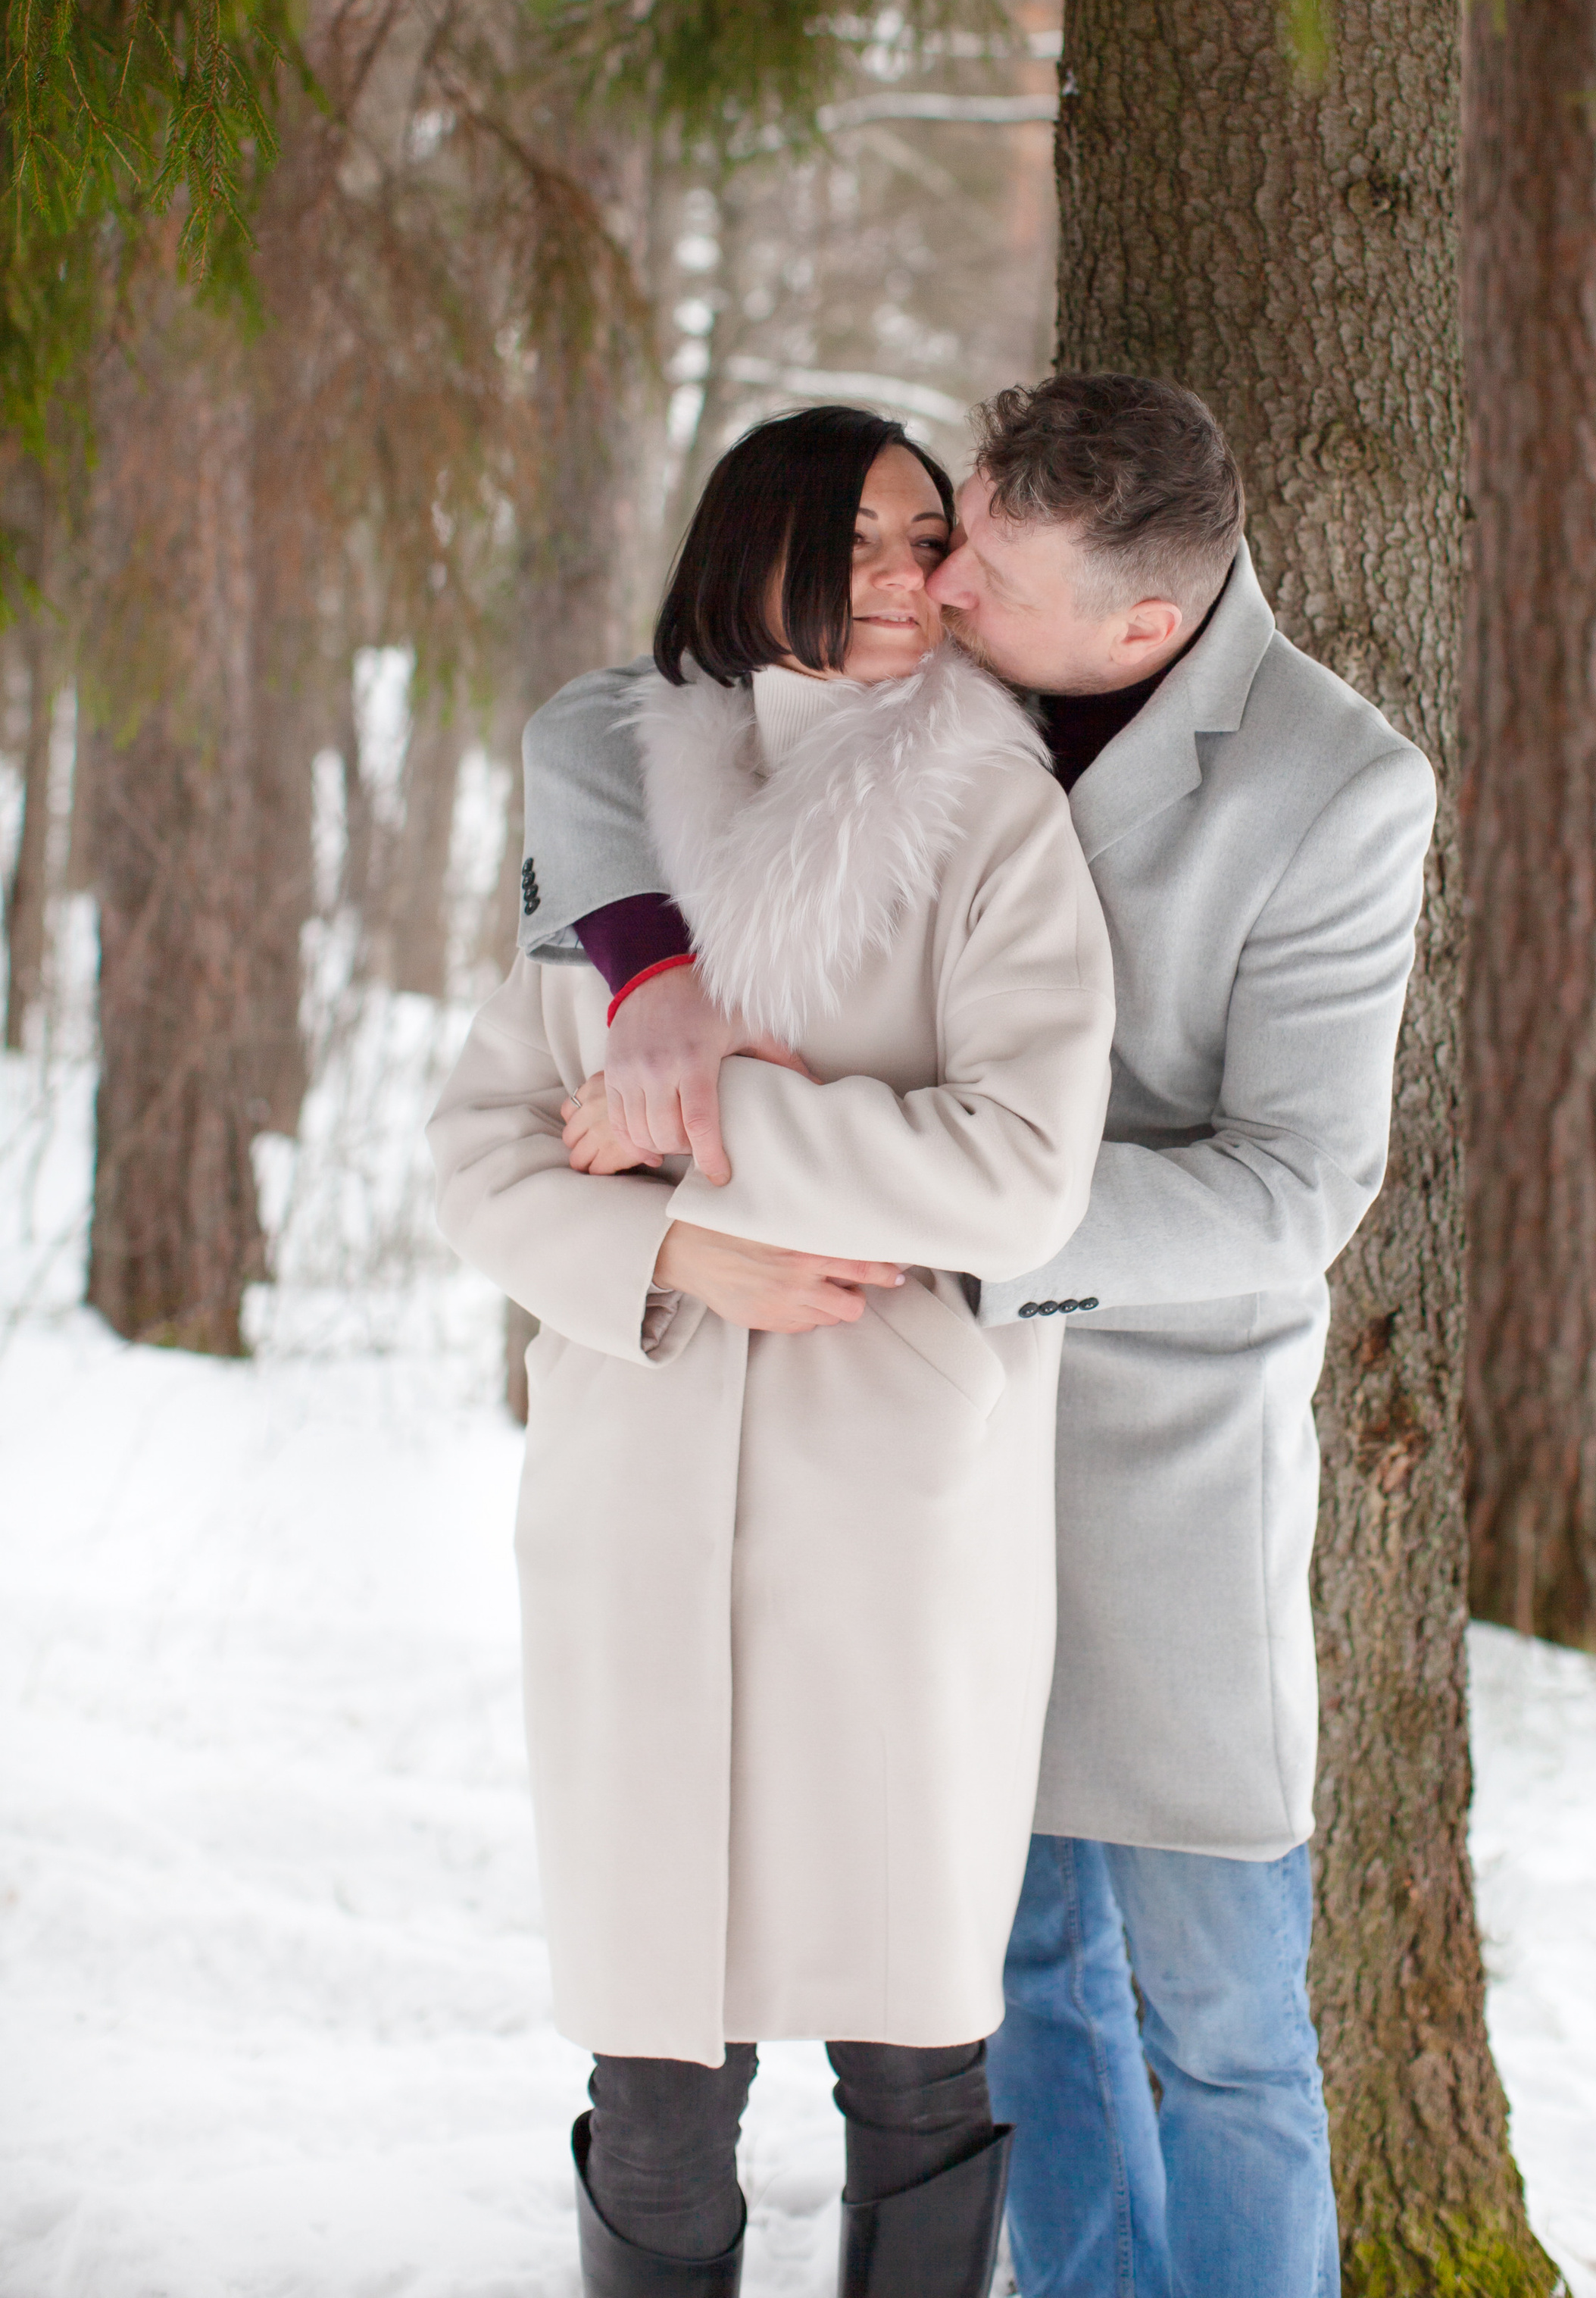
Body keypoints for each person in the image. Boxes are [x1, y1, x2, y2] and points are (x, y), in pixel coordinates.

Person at [520, 374, 1438, 2298]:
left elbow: (1290, 1187)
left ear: (1134, 628)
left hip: (1134, 1423)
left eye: (975, 567)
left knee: (1214, 2012)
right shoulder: (911, 669)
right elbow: (613, 726)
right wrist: (655, 983)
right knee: (998, 1982)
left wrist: (915, 1220)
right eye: (943, 536)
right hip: (894, 1455)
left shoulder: (1328, 785)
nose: (929, 589)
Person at [429, 405, 1115, 2298]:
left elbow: (1026, 1174)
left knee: (910, 2047)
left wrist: (712, 1114)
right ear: (764, 553)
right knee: (655, 2070)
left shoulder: (993, 818)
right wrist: (680, 1250)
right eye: (880, 541)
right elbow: (481, 1154)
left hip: (890, 1513)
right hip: (637, 1496)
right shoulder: (612, 821)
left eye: (931, 545)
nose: (923, 580)